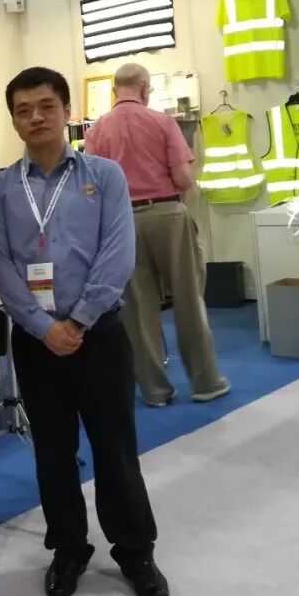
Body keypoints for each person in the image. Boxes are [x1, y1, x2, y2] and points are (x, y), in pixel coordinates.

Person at [0, 67, 169, 596]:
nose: (36, 118)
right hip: (36, 342)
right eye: (23, 110)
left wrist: (78, 321)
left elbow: (118, 255)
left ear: (67, 111)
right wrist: (44, 328)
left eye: (46, 106)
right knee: (52, 451)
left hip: (99, 335)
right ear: (14, 120)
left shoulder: (104, 176)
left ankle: (135, 549)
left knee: (115, 446)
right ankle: (67, 548)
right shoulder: (1, 190)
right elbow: (1, 267)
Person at [84, 63, 230, 408]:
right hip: (167, 216)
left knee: (136, 309)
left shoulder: (97, 130)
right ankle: (206, 382)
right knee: (189, 299)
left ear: (114, 91)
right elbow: (182, 179)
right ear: (145, 89)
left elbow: (93, 187)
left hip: (121, 223)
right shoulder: (162, 122)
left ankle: (155, 391)